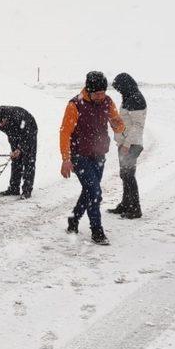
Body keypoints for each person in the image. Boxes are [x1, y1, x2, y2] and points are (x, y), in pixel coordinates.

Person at [60, 72, 125, 245]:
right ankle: (97, 231)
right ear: (88, 91)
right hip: (79, 155)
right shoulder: (75, 105)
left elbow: (117, 122)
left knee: (89, 191)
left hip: (99, 154)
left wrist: (118, 124)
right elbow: (65, 133)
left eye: (103, 92)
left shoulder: (107, 101)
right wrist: (66, 159)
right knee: (95, 192)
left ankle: (73, 220)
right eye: (97, 93)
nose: (101, 96)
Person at [107, 73, 146, 219]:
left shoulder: (136, 99)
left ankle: (135, 209)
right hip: (125, 143)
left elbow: (137, 125)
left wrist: (127, 144)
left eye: (119, 88)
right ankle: (125, 204)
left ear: (125, 85)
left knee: (129, 176)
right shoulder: (129, 97)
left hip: (131, 145)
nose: (119, 91)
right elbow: (126, 121)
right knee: (125, 175)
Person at [0, 106, 38, 199]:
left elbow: (26, 135)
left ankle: (27, 190)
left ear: (5, 118)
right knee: (15, 159)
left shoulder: (18, 117)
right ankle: (14, 188)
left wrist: (20, 149)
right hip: (13, 133)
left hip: (29, 130)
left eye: (1, 123)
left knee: (28, 160)